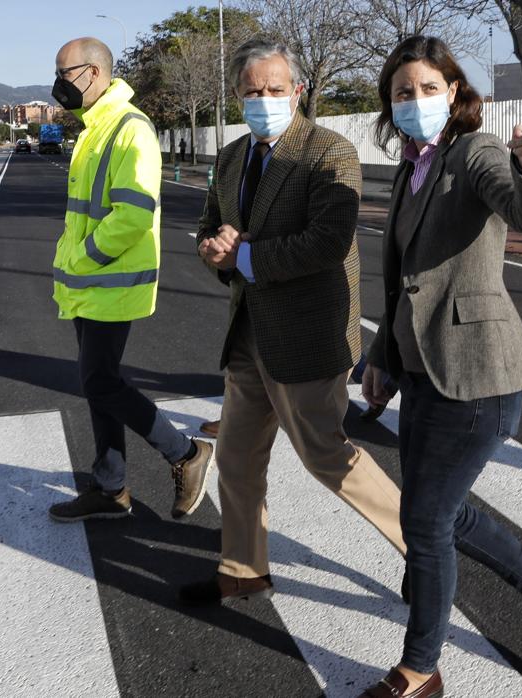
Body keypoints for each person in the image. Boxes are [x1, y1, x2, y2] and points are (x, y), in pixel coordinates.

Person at [356, 36, 522, 697]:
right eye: (402, 92)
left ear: (456, 93)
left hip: (479, 374)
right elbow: (402, 276)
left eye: (429, 89)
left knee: (426, 520)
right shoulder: (409, 171)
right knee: (439, 511)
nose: (416, 101)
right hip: (421, 371)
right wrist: (382, 355)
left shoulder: (476, 153)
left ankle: (420, 668)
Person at [178, 37, 406, 606]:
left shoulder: (329, 152)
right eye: (252, 91)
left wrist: (245, 257)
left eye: (275, 89)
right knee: (235, 454)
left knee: (326, 454)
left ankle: (422, 545)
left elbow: (327, 243)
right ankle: (242, 570)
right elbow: (211, 225)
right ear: (236, 95)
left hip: (308, 333)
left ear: (297, 90)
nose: (264, 99)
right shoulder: (231, 157)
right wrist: (213, 250)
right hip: (248, 331)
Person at [47, 37, 214, 523]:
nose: (59, 84)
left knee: (100, 382)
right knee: (101, 382)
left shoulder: (128, 128)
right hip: (89, 282)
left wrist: (83, 258)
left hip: (110, 280)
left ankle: (185, 453)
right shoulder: (94, 128)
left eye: (65, 73)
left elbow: (133, 215)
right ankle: (111, 488)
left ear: (94, 74)